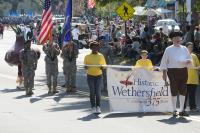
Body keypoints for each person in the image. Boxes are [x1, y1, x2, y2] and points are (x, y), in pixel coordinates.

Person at [160, 31, 192, 117]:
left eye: (179, 38)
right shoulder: (168, 49)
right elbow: (164, 62)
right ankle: (174, 110)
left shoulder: (184, 48)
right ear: (172, 39)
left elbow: (189, 59)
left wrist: (188, 61)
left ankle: (181, 110)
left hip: (183, 71)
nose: (178, 39)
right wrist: (164, 73)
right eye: (176, 38)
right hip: (172, 71)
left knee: (183, 90)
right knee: (173, 90)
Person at [84, 41, 106, 114]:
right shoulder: (87, 56)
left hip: (99, 76)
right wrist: (86, 67)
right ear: (91, 48)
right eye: (94, 47)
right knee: (92, 92)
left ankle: (98, 107)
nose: (95, 48)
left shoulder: (101, 56)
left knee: (98, 92)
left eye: (97, 47)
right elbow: (85, 66)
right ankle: (93, 107)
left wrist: (102, 67)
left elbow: (104, 65)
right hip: (90, 76)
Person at [184, 42, 200, 111]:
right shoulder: (183, 56)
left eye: (191, 47)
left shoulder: (194, 56)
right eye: (189, 47)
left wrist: (195, 68)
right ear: (186, 48)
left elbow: (199, 66)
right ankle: (183, 107)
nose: (191, 48)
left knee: (192, 94)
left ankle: (192, 107)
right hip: (185, 79)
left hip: (194, 79)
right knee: (184, 95)